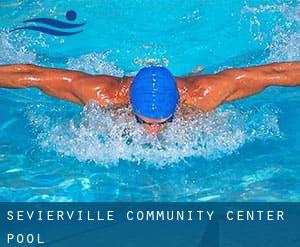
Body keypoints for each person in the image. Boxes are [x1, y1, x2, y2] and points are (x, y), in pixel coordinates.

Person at [0, 62, 299, 134]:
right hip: (117, 85)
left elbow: (273, 74)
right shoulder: (101, 93)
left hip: (191, 84)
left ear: (177, 107)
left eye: (163, 122)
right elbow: (31, 75)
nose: (153, 131)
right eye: (143, 121)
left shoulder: (204, 94)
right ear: (130, 105)